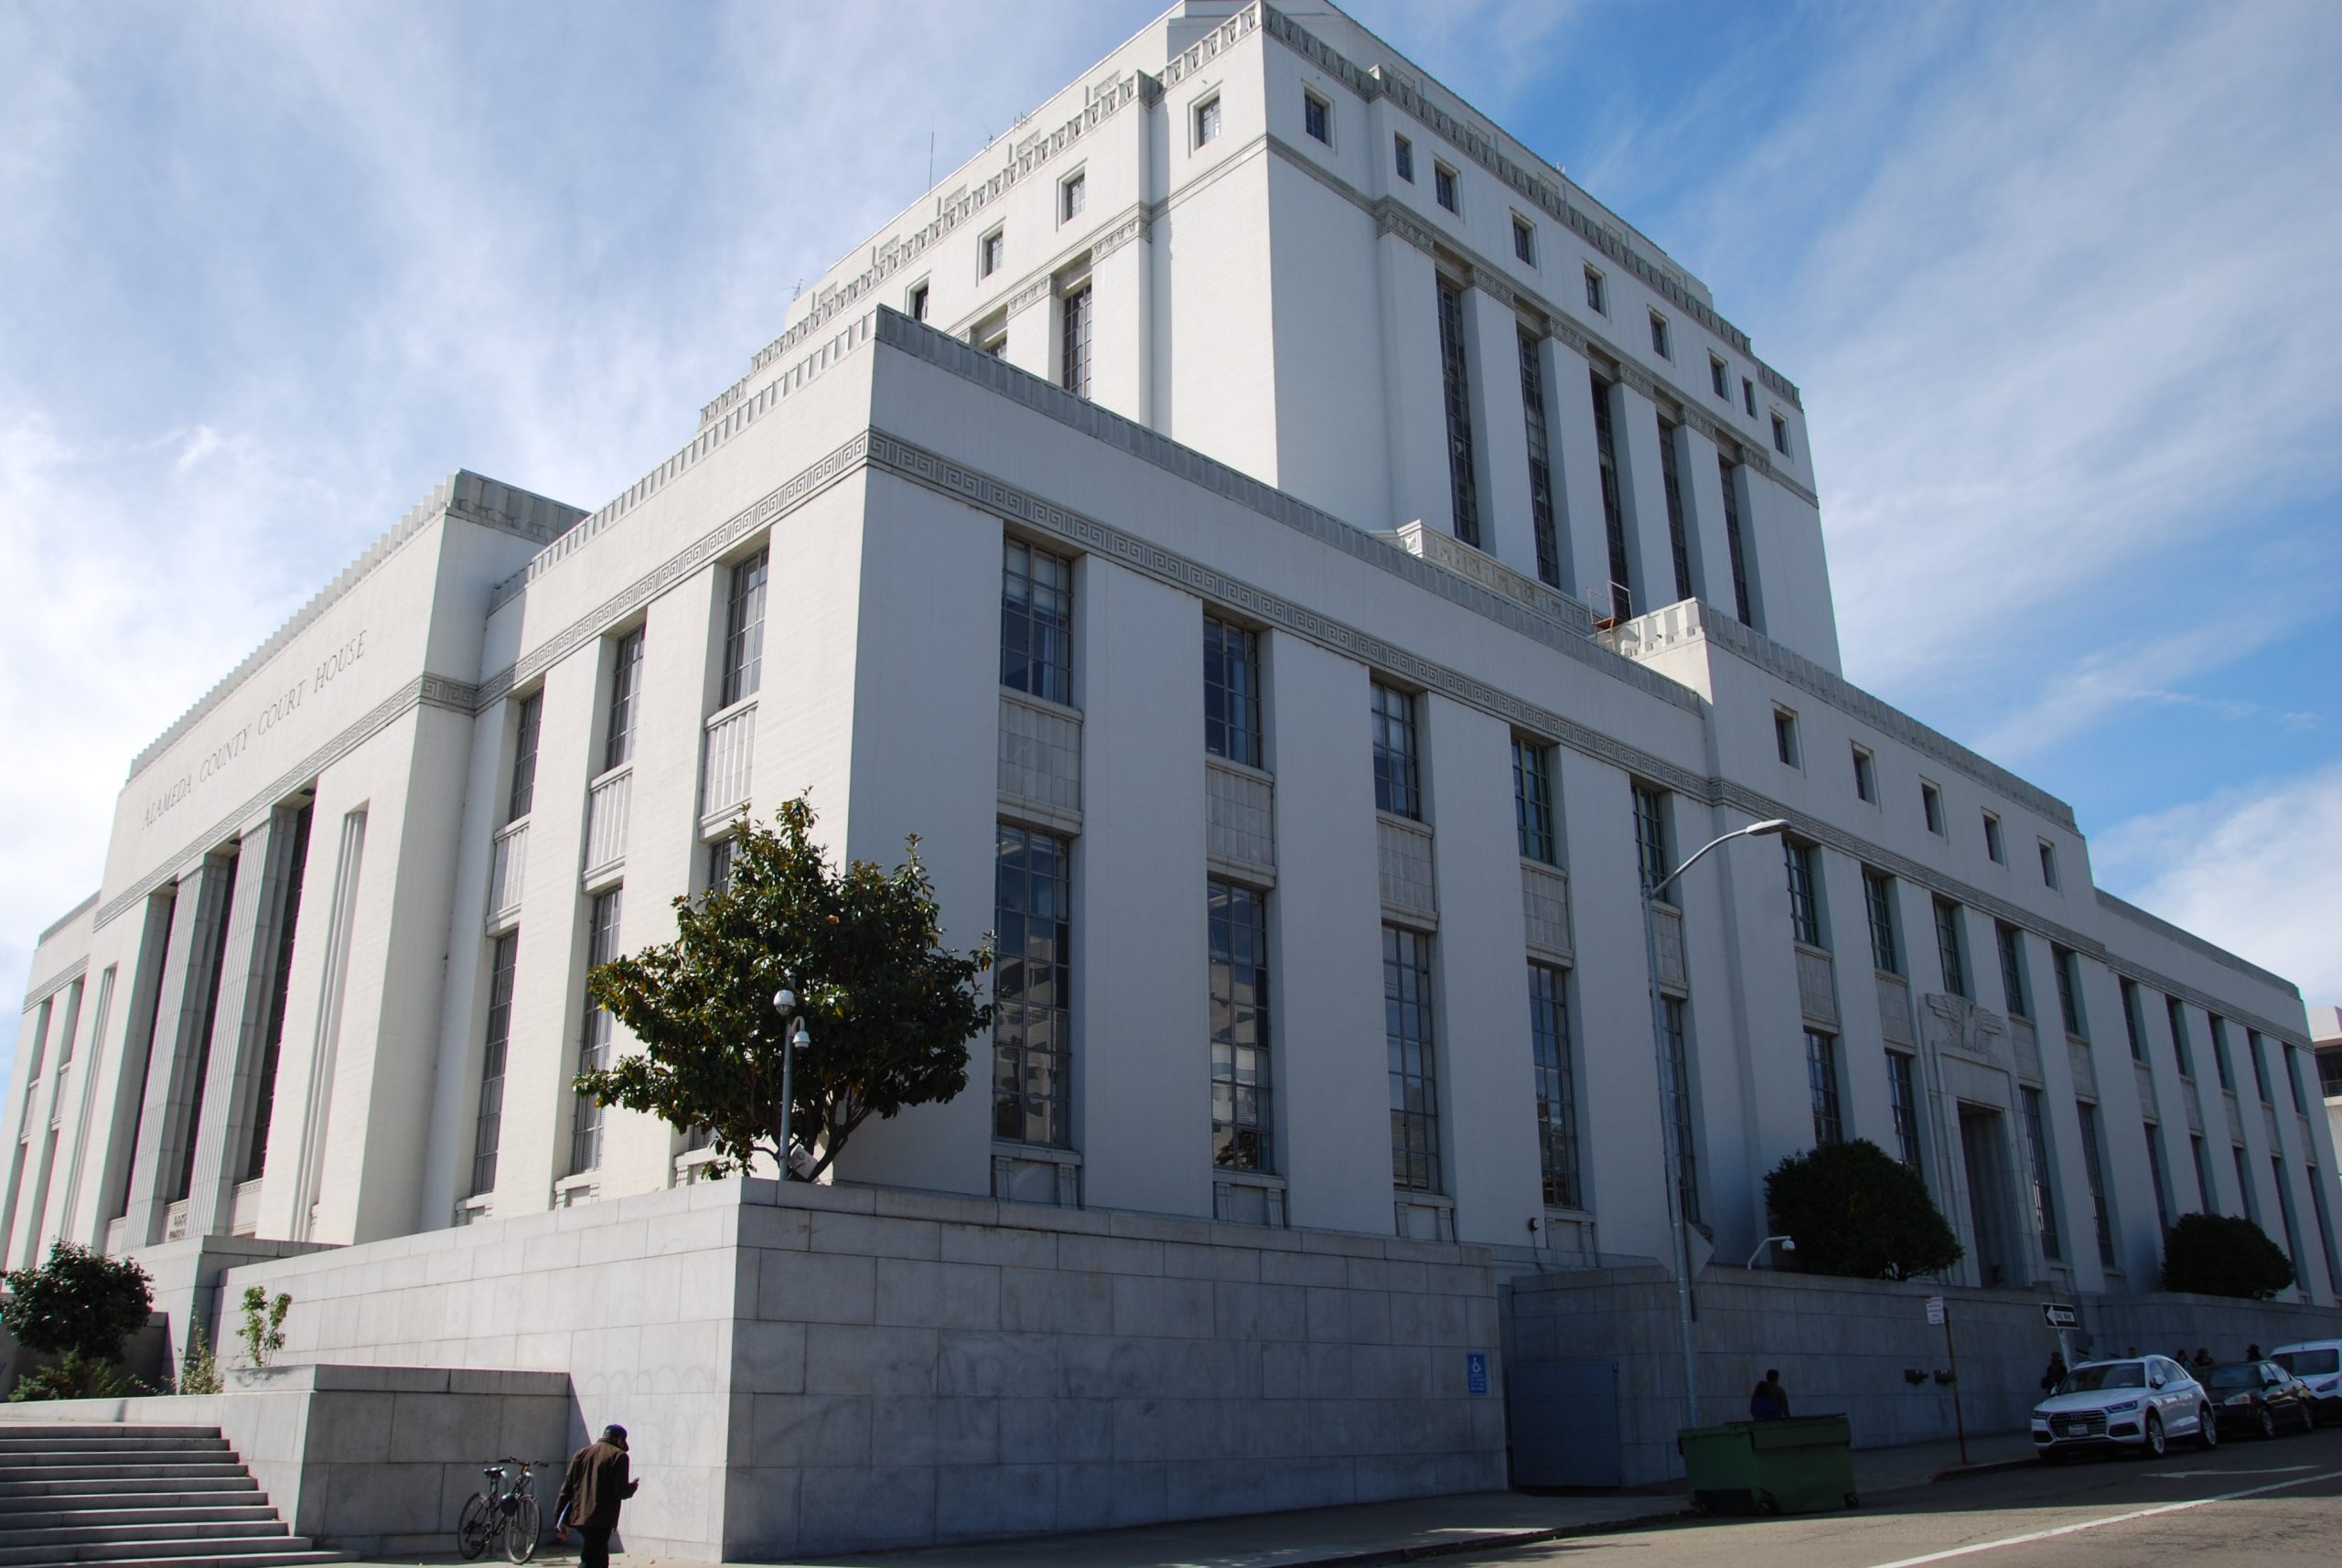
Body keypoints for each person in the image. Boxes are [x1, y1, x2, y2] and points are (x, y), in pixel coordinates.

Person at [553, 1423, 639, 1568]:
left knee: (599, 1558)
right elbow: (620, 1491)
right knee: (590, 1559)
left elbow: (566, 1488)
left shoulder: (581, 1453)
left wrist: (558, 1520)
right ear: (619, 1439)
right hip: (602, 1518)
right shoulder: (619, 1456)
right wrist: (633, 1487)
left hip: (579, 1516)